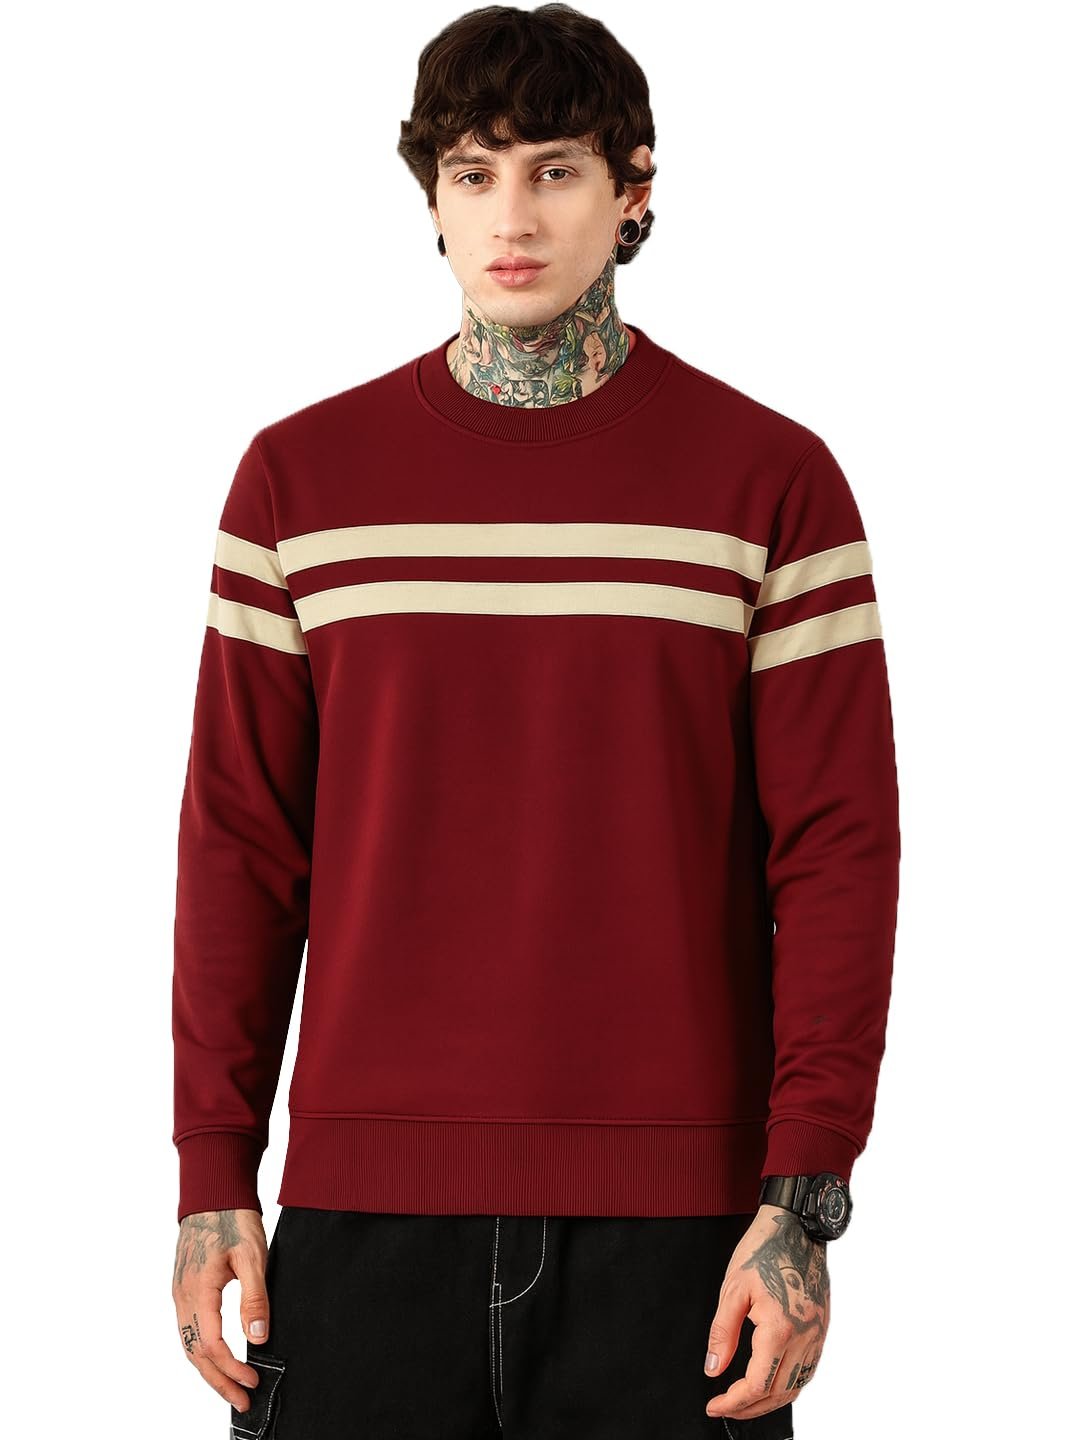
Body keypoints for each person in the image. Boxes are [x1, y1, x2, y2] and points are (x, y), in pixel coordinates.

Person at [170, 6, 901, 1437]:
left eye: (555, 170)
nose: (511, 216)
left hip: (686, 1239)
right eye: (474, 173)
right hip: (362, 1226)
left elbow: (836, 853)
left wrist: (803, 1194)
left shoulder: (771, 482)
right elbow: (239, 848)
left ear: (634, 188)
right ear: (433, 198)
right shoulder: (297, 485)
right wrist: (211, 1174)